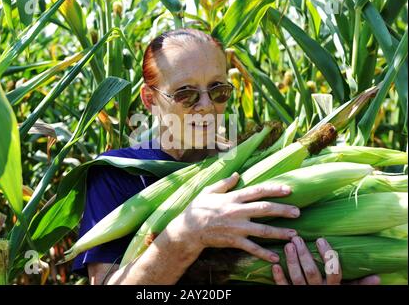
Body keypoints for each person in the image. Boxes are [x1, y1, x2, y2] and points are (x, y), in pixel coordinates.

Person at [72, 28, 380, 285]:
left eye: (218, 91)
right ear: (150, 99)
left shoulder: (258, 163)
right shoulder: (118, 173)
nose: (206, 106)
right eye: (186, 94)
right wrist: (186, 235)